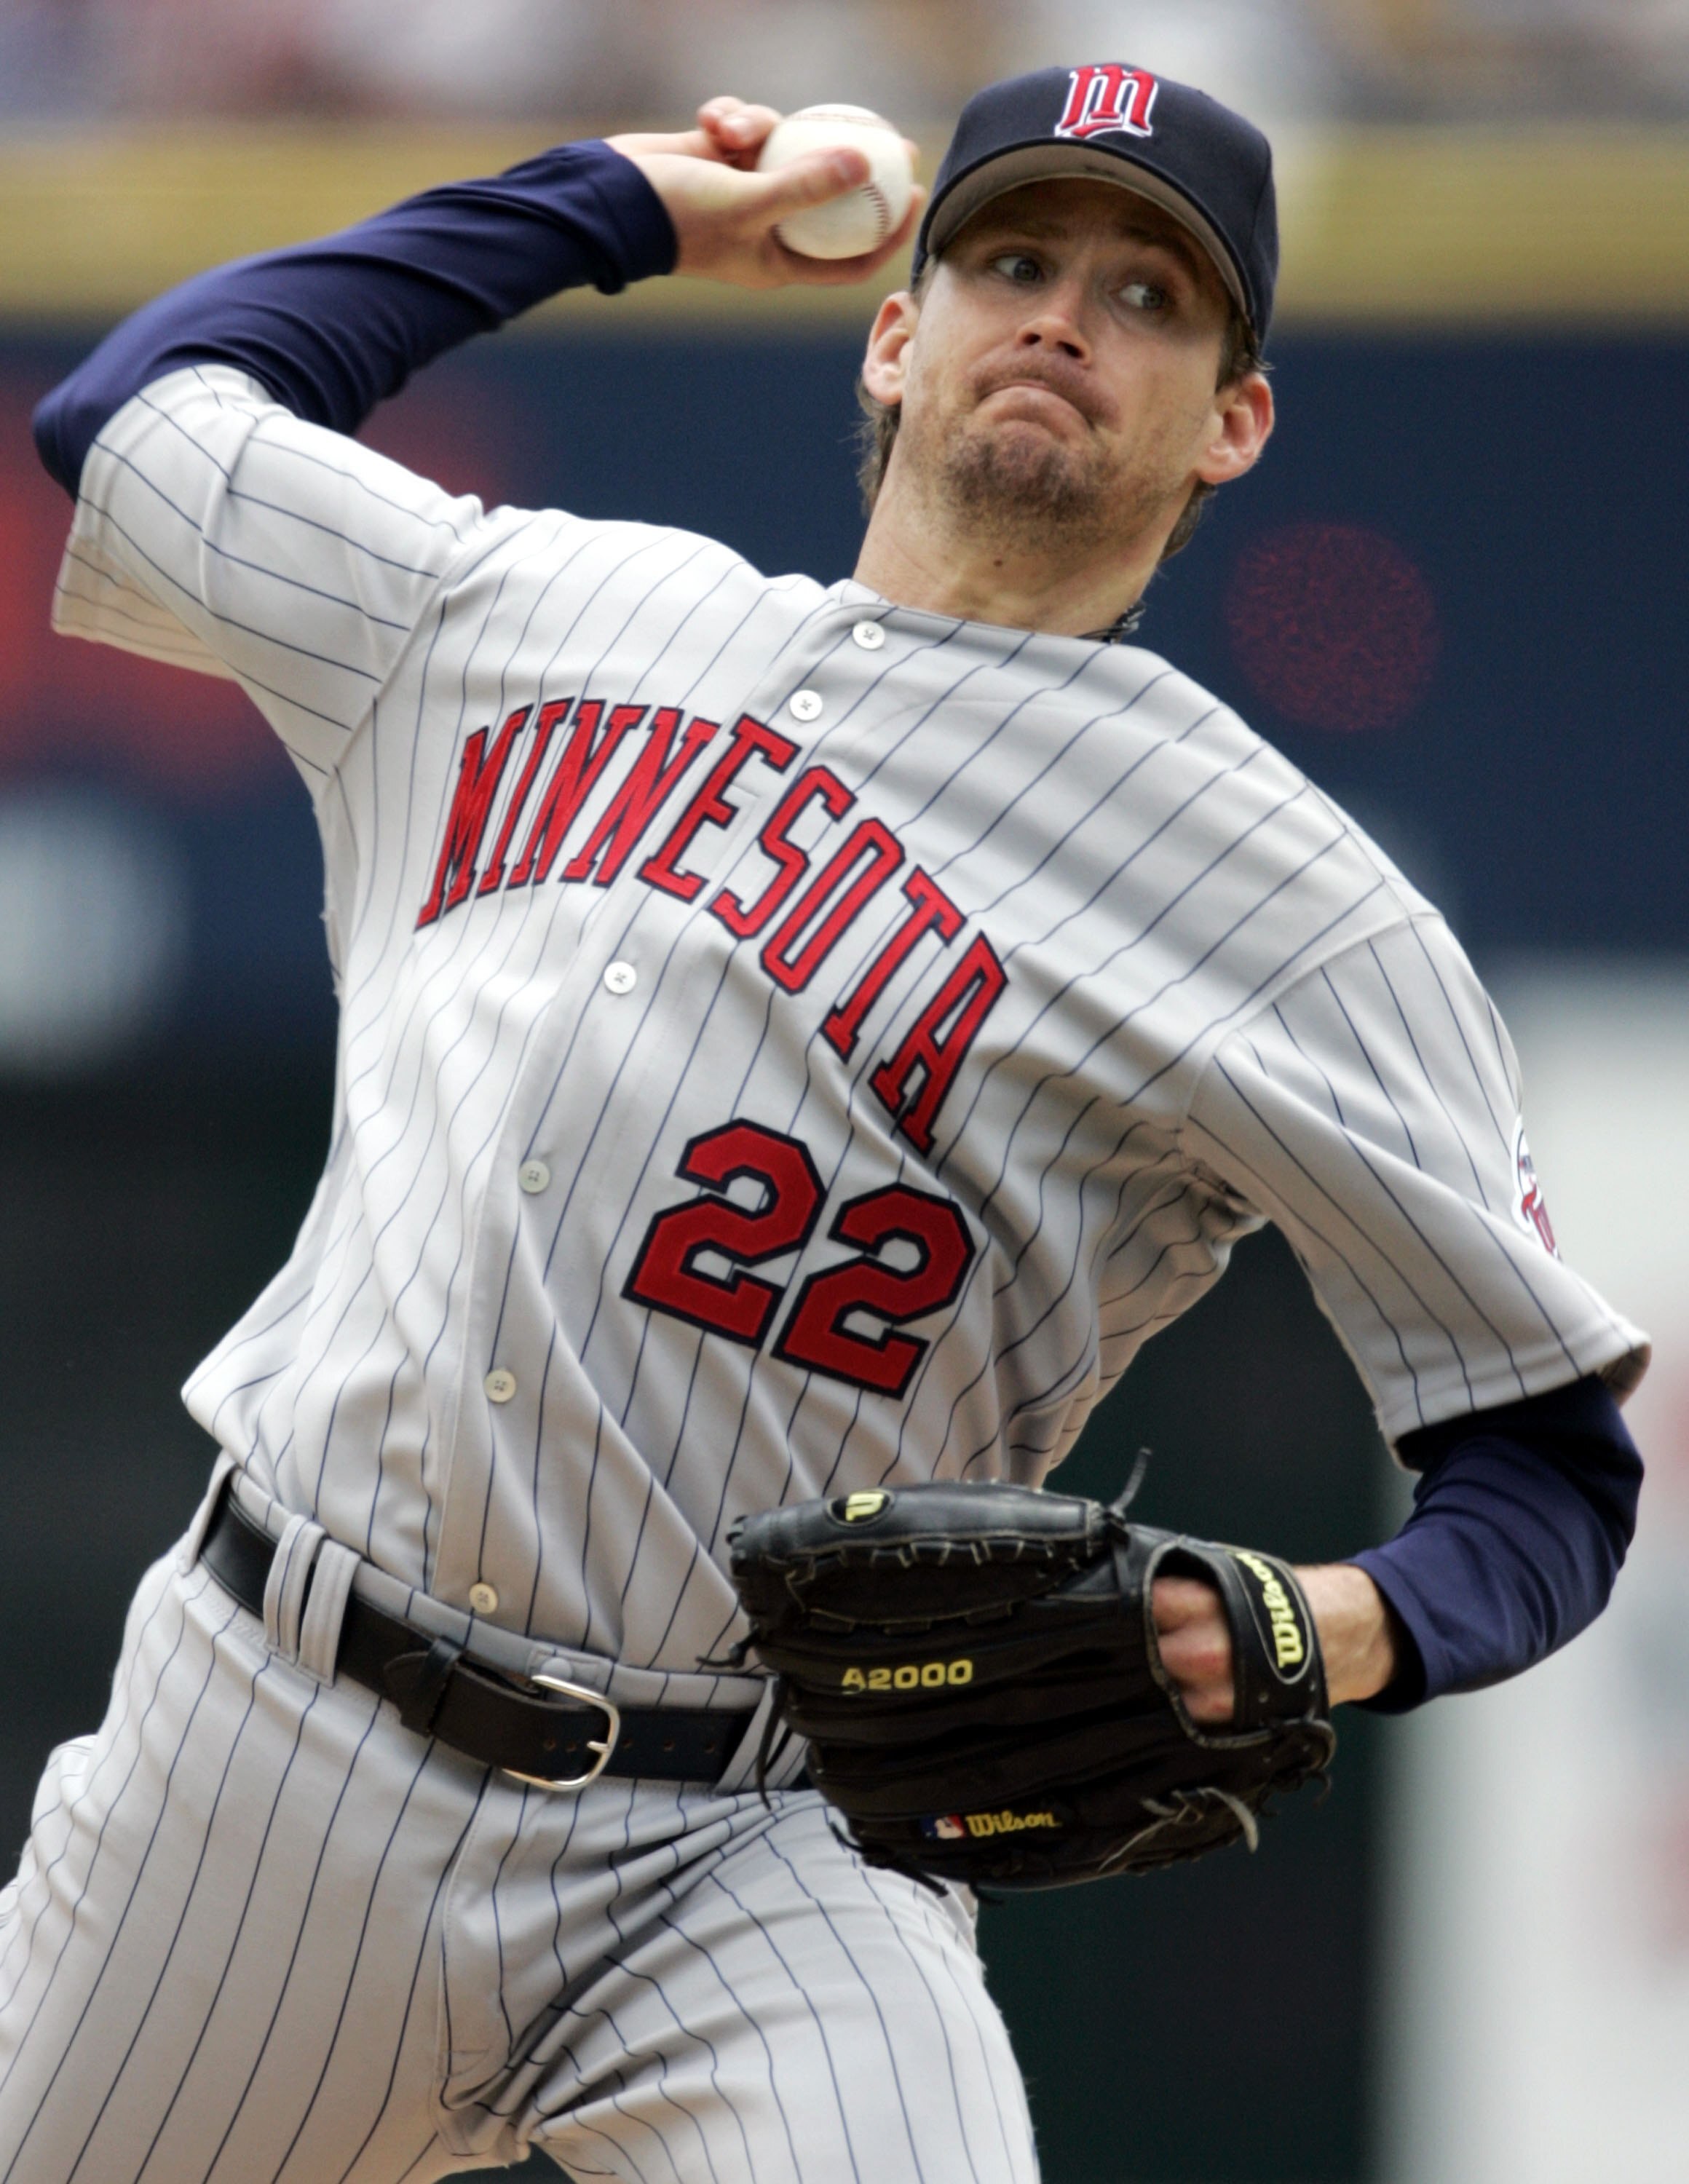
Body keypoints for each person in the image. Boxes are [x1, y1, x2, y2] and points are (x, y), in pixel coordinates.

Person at [6, 60, 1646, 2184]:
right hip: (277, 1739)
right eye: (1013, 257)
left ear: (1235, 421)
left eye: (1153, 298)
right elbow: (133, 423)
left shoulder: (1291, 913)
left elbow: (1547, 1462)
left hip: (757, 1847)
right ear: (897, 327)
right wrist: (622, 203)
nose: (1067, 315)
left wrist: (1324, 1626)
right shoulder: (530, 613)